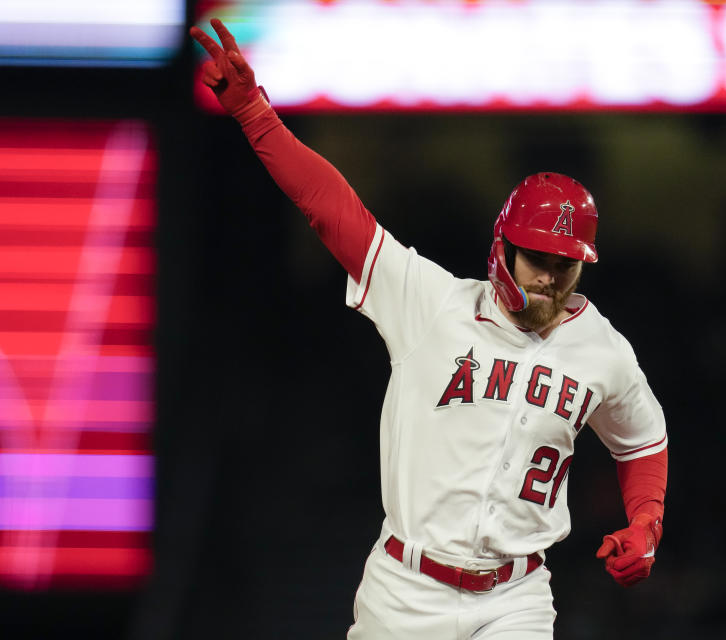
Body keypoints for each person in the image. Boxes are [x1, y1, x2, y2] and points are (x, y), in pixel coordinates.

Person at [190, 19, 668, 639]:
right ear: (503, 252)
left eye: (566, 263)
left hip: (515, 595)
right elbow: (334, 212)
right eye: (538, 260)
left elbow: (642, 441)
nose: (552, 276)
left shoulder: (603, 349)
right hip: (407, 591)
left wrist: (646, 522)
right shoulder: (432, 302)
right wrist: (256, 115)